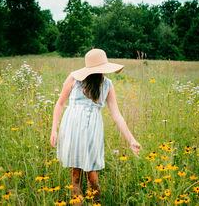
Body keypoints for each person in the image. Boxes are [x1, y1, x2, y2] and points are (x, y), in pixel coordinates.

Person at [50, 48, 141, 204]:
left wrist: (131, 140)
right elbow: (60, 104)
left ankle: (96, 202)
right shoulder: (74, 79)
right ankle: (77, 201)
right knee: (75, 172)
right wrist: (54, 129)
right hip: (72, 128)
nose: (102, 72)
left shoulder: (107, 85)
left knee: (92, 174)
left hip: (92, 131)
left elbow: (116, 115)